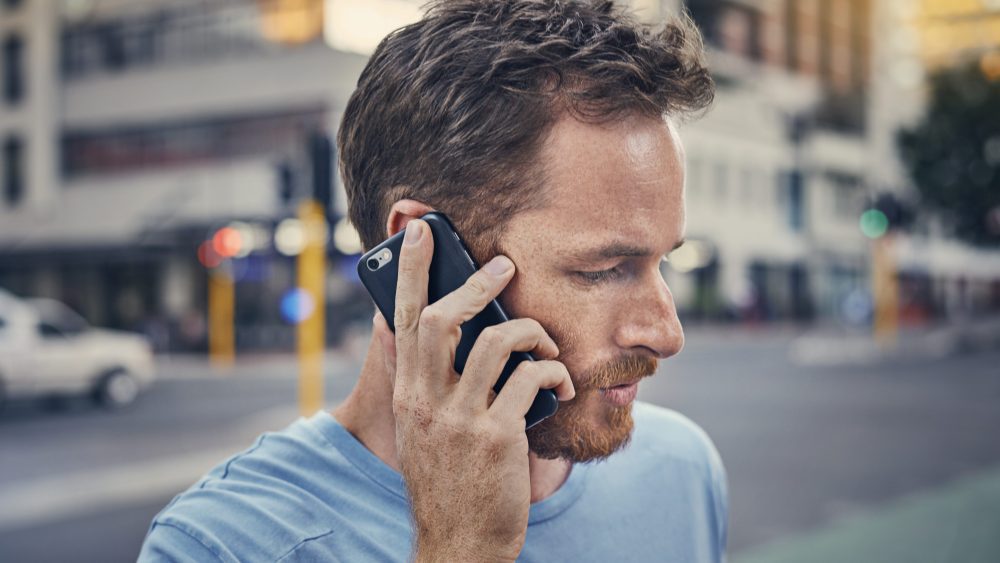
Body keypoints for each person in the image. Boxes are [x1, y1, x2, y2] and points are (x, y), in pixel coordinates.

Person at [139, 1, 726, 561]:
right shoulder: (220, 546)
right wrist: (459, 549)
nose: (668, 333)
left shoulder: (682, 467)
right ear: (422, 255)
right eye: (601, 270)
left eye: (661, 261)